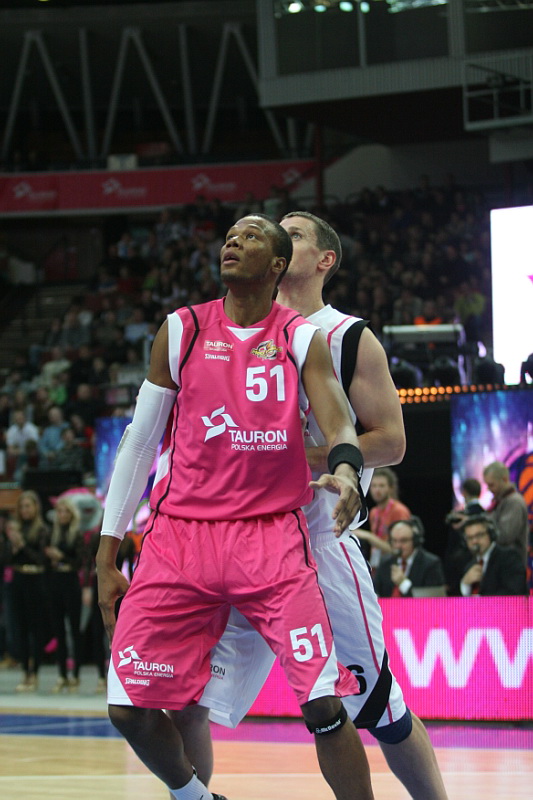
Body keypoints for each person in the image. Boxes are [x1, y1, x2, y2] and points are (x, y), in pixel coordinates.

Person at [96, 213, 375, 800]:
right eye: (229, 236)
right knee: (127, 705)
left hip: (270, 538)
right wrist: (106, 552)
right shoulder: (183, 329)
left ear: (277, 264)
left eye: (250, 237)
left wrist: (348, 467)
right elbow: (140, 443)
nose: (233, 242)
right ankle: (197, 797)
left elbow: (337, 419)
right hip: (180, 538)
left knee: (324, 704)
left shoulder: (301, 337)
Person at [171, 211, 448, 800]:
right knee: (188, 700)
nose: (278, 234)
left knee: (379, 710)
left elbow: (392, 441)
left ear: (325, 260)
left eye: (295, 233)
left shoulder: (348, 336)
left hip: (317, 542)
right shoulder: (226, 331)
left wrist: (299, 454)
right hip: (234, 540)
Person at [8, 491, 50, 692]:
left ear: (35, 508)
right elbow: (6, 560)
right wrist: (13, 548)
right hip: (18, 580)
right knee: (20, 628)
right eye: (22, 506)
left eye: (28, 506)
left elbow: (41, 560)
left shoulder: (42, 530)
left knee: (35, 628)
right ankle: (25, 671)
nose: (25, 510)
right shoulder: (15, 530)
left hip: (36, 580)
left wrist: (22, 546)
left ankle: (35, 672)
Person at [44, 497, 85, 692]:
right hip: (55, 582)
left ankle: (76, 674)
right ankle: (62, 675)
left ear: (72, 514)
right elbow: (44, 559)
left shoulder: (76, 535)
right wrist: (51, 560)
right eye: (59, 512)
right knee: (58, 631)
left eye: (65, 511)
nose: (62, 515)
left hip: (71, 582)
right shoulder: (51, 534)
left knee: (74, 630)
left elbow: (79, 562)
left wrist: (61, 557)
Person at [373, 517, 446, 598]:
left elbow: (432, 600)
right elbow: (376, 592)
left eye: (403, 540)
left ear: (415, 541)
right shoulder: (385, 562)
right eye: (394, 541)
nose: (398, 546)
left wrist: (403, 583)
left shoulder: (431, 564)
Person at [356, 467, 411, 568]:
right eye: (374, 486)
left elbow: (400, 549)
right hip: (378, 566)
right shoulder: (373, 512)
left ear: (391, 488)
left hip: (395, 566)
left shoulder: (399, 511)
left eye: (381, 486)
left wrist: (368, 536)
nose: (377, 490)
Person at [460, 514, 528, 596]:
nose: (474, 541)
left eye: (479, 535)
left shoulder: (509, 558)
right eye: (469, 538)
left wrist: (480, 601)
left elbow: (514, 592)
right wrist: (465, 584)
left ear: (491, 534)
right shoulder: (469, 566)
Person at [483, 461, 529, 564]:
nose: (489, 489)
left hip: (511, 565)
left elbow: (504, 536)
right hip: (503, 563)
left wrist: (484, 530)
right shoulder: (501, 500)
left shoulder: (514, 502)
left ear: (504, 479)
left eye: (491, 485)